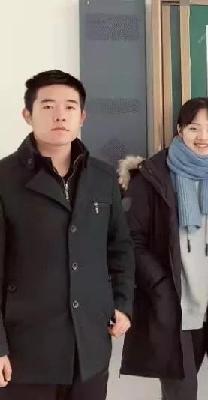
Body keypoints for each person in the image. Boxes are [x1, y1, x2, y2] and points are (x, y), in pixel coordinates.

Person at [0, 70, 134, 400]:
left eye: (70, 107)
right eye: (48, 106)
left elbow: (120, 247)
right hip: (25, 351)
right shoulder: (5, 178)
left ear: (82, 117)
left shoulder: (103, 176)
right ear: (27, 115)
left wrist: (122, 304)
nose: (60, 115)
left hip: (90, 347)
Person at [119, 97, 208, 400]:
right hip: (171, 304)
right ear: (180, 130)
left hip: (207, 305)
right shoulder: (152, 177)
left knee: (183, 388)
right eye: (194, 128)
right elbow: (131, 240)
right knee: (182, 391)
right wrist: (160, 284)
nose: (203, 136)